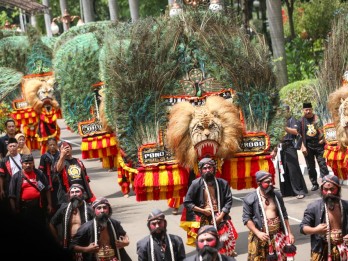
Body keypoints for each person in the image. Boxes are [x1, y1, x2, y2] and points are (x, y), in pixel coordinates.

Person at [184, 157, 237, 256]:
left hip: (220, 215)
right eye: (205, 168)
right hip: (204, 218)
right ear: (201, 170)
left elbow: (228, 201)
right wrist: (203, 211)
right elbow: (187, 203)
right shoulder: (195, 184)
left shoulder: (222, 183)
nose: (207, 170)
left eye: (210, 167)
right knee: (207, 243)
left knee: (225, 242)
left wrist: (221, 216)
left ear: (214, 169)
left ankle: (225, 256)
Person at [242, 170, 295, 260]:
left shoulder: (276, 196)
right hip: (260, 236)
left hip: (277, 235)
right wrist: (258, 233)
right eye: (267, 182)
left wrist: (289, 233)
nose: (270, 184)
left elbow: (284, 215)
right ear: (259, 183)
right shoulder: (250, 198)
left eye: (271, 181)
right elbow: (246, 219)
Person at [300, 174, 348, 260]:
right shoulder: (313, 207)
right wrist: (316, 230)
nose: (329, 192)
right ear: (322, 190)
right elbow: (303, 228)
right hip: (322, 251)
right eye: (326, 189)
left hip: (344, 250)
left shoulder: (346, 206)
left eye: (332, 189)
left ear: (338, 189)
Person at [49, 184, 94, 259]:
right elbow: (51, 223)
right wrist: (58, 240)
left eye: (77, 191)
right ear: (69, 195)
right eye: (72, 192)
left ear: (83, 193)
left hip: (86, 244)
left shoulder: (90, 209)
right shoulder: (64, 208)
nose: (74, 194)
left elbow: (98, 226)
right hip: (68, 244)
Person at [8, 154, 52, 226]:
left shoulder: (39, 174)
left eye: (30, 163)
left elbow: (47, 189)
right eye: (26, 163)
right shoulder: (16, 176)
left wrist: (49, 204)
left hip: (39, 206)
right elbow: (11, 194)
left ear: (33, 163)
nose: (28, 165)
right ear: (22, 164)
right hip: (24, 207)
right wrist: (14, 209)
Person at [297, 102, 329, 191]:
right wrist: (303, 147)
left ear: (312, 109)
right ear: (303, 111)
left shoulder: (317, 118)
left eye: (309, 109)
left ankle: (326, 182)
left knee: (322, 164)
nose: (308, 111)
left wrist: (324, 139)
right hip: (308, 146)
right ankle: (314, 184)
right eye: (306, 110)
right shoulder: (301, 121)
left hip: (319, 145)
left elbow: (326, 129)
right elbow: (298, 135)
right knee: (310, 167)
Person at [278, 105, 308, 199]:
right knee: (283, 170)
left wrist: (285, 128)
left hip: (290, 146)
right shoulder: (278, 121)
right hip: (281, 147)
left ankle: (299, 190)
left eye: (284, 111)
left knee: (293, 169)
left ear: (288, 111)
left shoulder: (292, 120)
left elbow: (296, 131)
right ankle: (286, 191)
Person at [39, 137, 61, 213]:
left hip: (60, 181)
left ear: (56, 145)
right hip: (49, 182)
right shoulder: (44, 156)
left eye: (54, 145)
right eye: (50, 145)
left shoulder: (60, 155)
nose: (52, 146)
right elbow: (40, 171)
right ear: (47, 146)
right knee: (50, 200)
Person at [0, 137, 22, 210]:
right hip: (9, 186)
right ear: (7, 148)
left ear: (17, 146)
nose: (12, 148)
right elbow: (1, 176)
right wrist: (1, 189)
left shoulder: (24, 157)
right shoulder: (4, 161)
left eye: (14, 146)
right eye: (10, 146)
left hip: (22, 184)